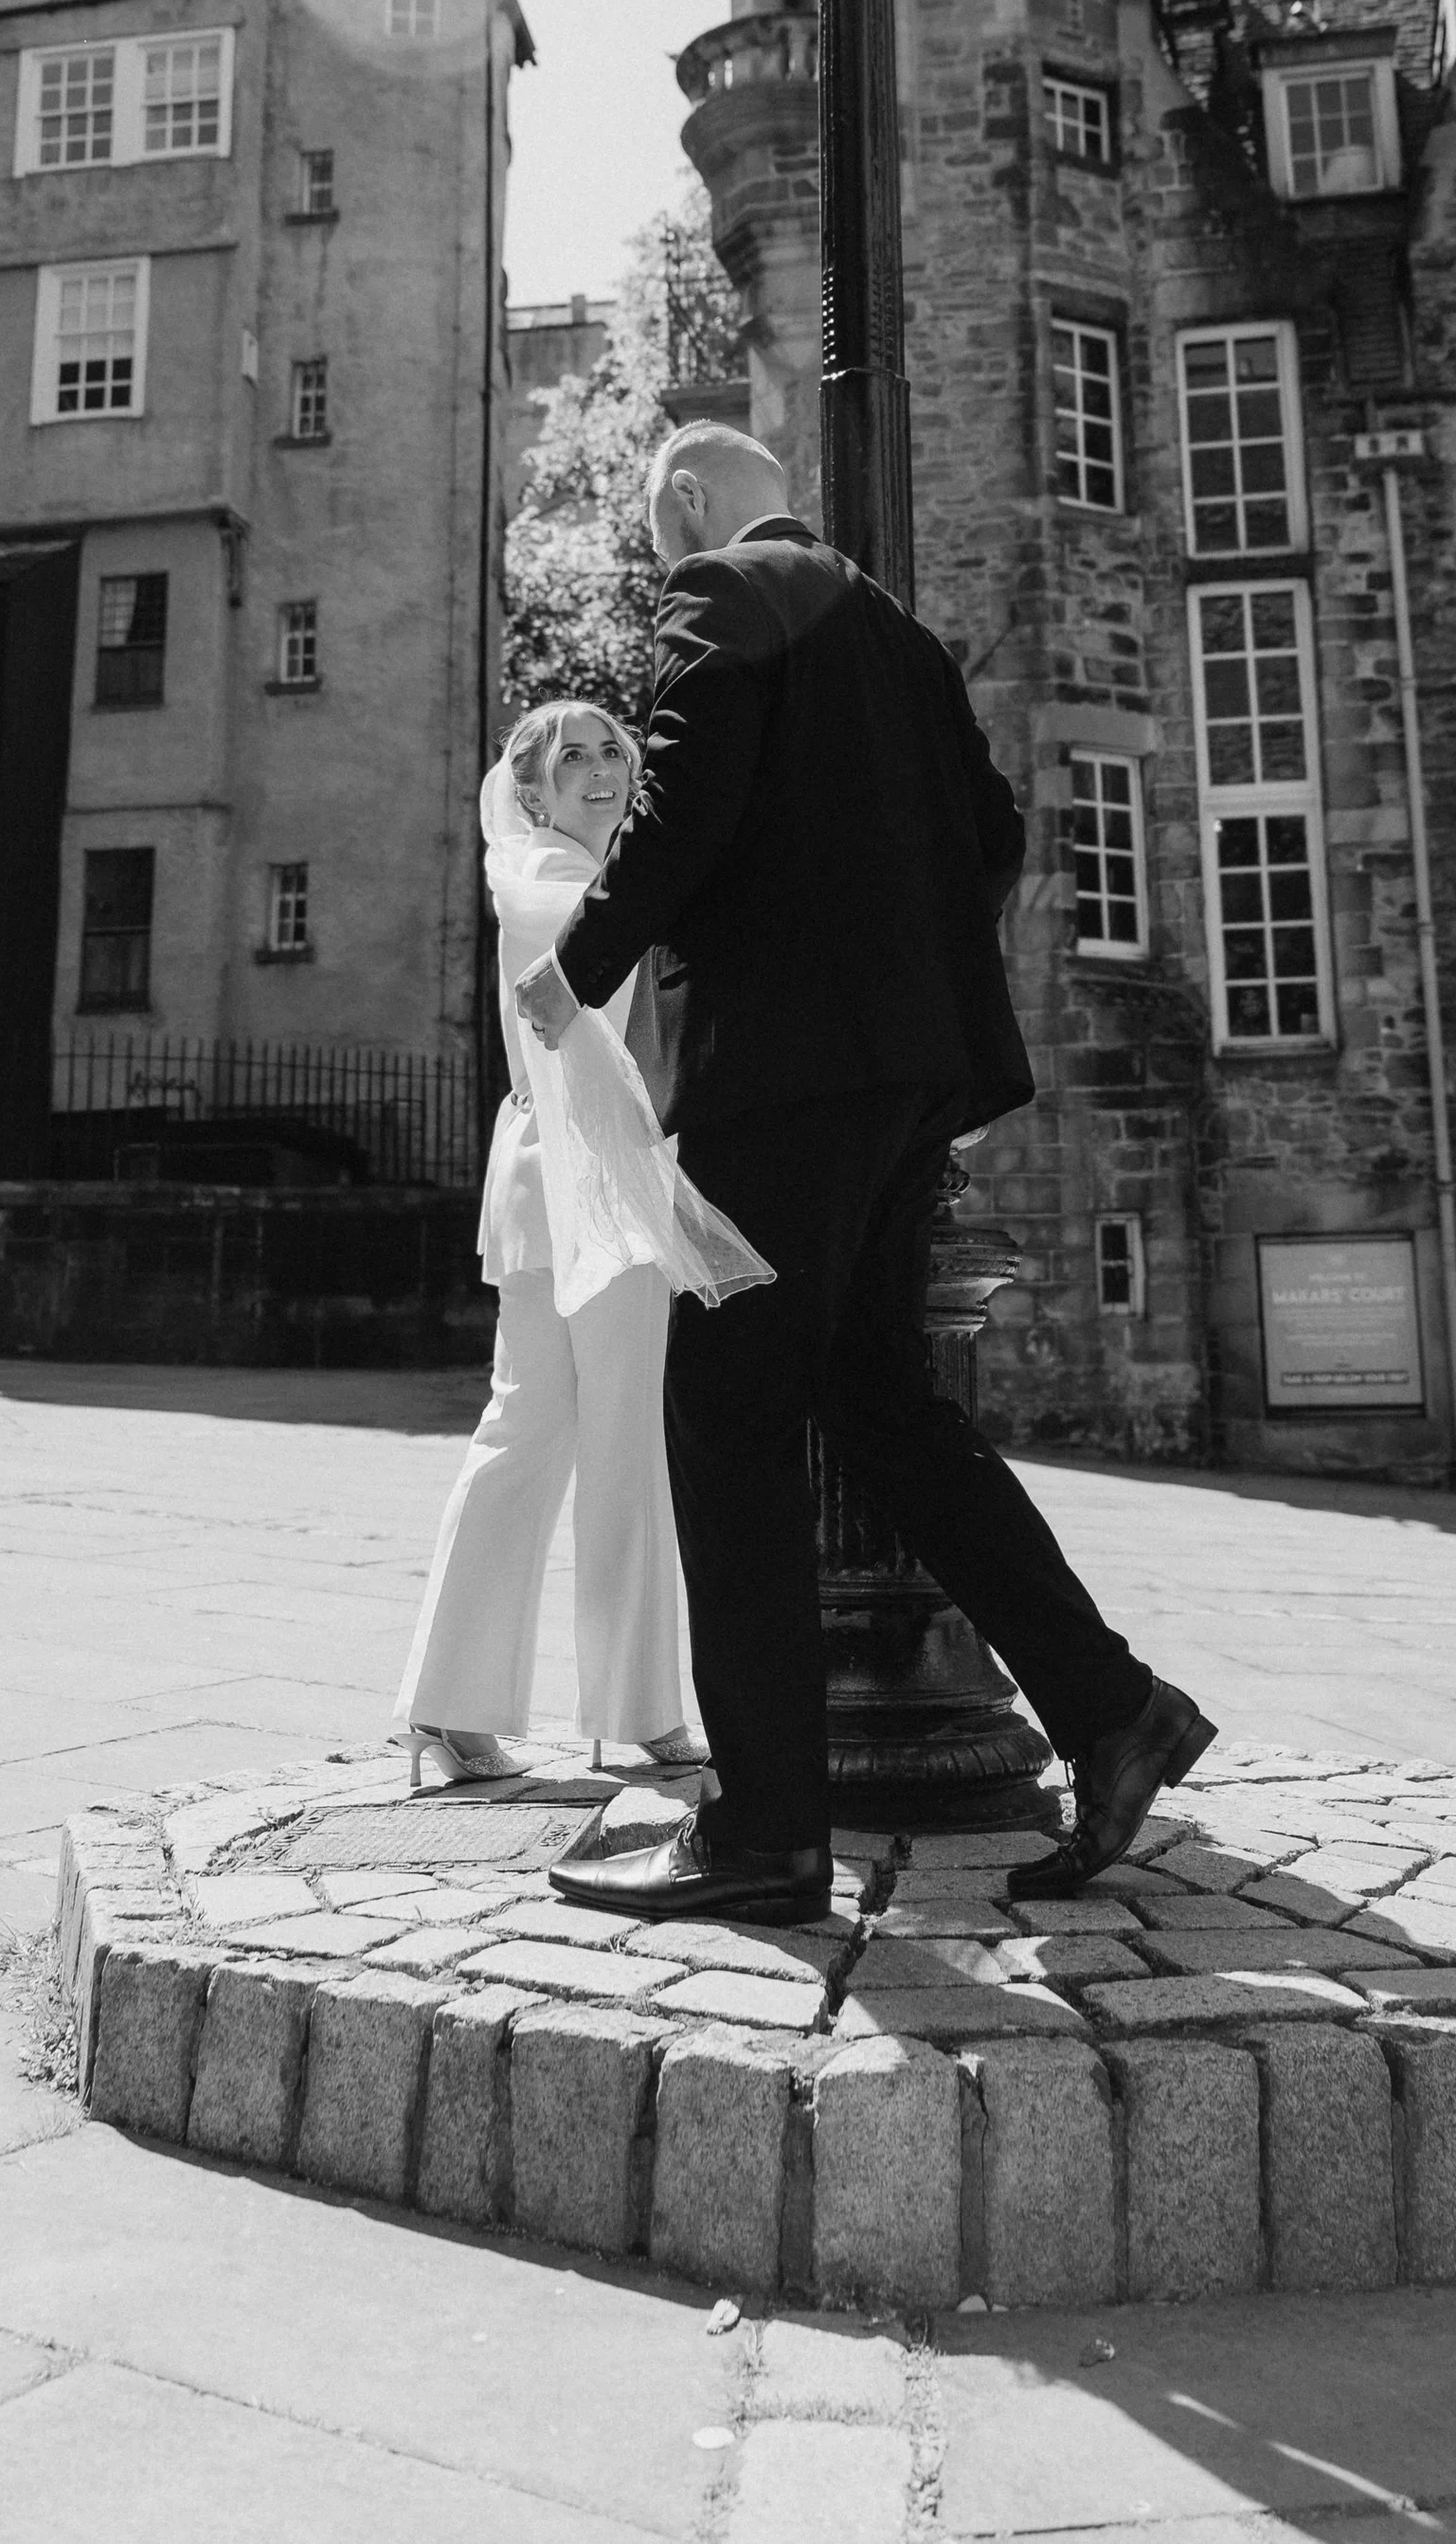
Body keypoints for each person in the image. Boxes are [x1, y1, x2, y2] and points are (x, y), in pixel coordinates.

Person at [520, 423, 1212, 1926]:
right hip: (912, 1074)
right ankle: (1114, 1709)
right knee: (884, 1410)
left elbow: (684, 803)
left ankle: (766, 1829)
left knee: (724, 1409)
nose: (661, 566)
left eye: (658, 535)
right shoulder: (897, 631)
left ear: (692, 505)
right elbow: (996, 831)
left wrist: (574, 971)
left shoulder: (725, 592)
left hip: (792, 1071)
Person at [391, 696, 756, 1787]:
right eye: (570, 759)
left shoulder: (552, 878)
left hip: (551, 1185)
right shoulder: (551, 880)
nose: (597, 770)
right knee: (617, 1444)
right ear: (534, 789)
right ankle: (636, 1712)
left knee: (526, 1435)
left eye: (611, 751)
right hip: (593, 1188)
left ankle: (449, 1711)